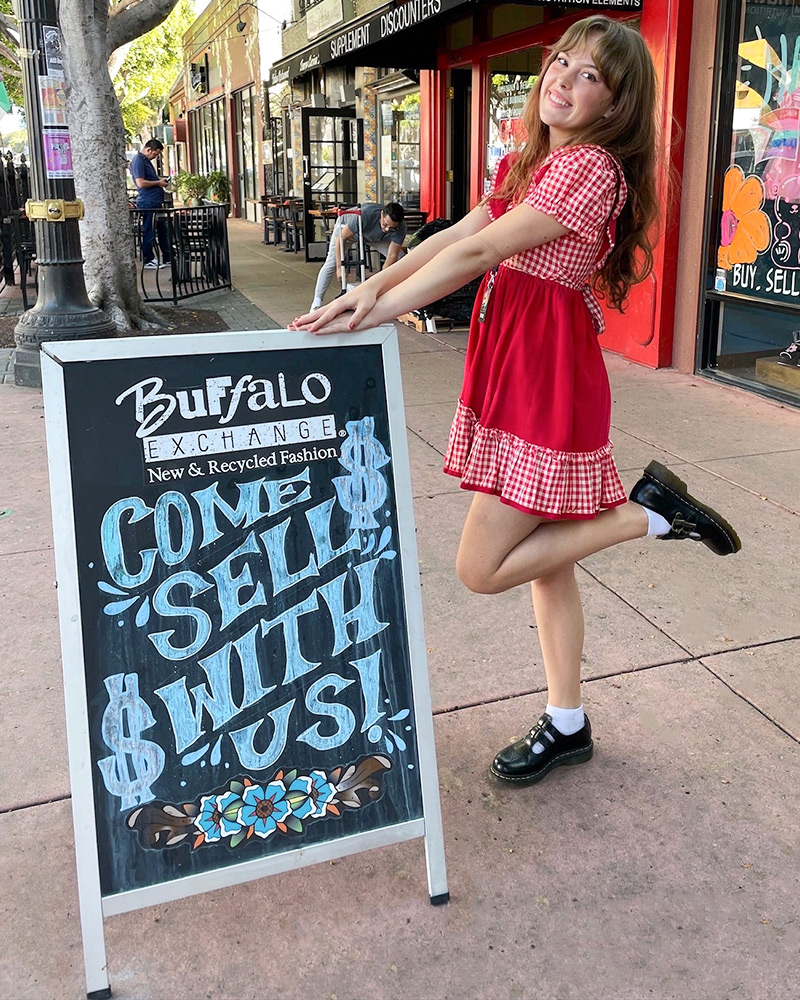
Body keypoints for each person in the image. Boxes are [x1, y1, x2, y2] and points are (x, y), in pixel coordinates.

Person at [292, 16, 742, 787]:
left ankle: (650, 514)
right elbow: (452, 233)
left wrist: (373, 314)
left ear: (617, 102)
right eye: (561, 61)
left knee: (480, 567)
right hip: (525, 365)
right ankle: (568, 721)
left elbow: (479, 253)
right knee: (545, 569)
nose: (563, 79)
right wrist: (366, 289)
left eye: (590, 74)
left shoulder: (590, 168)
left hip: (543, 377)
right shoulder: (540, 161)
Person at [310, 202, 407, 310]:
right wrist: (339, 268)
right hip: (347, 229)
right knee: (331, 262)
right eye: (385, 224)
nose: (387, 229)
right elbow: (340, 239)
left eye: (391, 227)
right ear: (381, 214)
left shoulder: (401, 228)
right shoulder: (365, 214)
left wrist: (381, 280)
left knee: (401, 259)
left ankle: (400, 296)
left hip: (372, 237)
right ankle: (316, 303)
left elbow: (392, 255)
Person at [130, 138, 172, 270]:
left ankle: (168, 257)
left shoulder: (145, 161)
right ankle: (148, 258)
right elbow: (141, 183)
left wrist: (159, 181)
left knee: (162, 230)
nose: (155, 157)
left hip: (154, 201)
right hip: (147, 202)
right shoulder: (138, 161)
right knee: (149, 230)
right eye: (155, 154)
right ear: (148, 150)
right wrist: (158, 183)